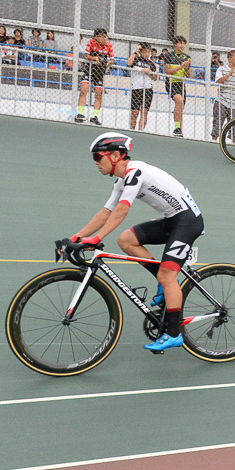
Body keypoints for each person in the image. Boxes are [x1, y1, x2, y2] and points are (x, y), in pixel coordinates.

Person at [69, 132, 204, 352]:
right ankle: (164, 283)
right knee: (126, 240)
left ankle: (174, 333)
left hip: (187, 221)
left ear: (115, 155)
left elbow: (122, 210)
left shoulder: (135, 171)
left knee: (167, 275)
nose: (95, 163)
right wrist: (77, 237)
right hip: (172, 220)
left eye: (97, 157)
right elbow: (106, 212)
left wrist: (97, 238)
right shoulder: (121, 180)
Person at [75, 28, 113, 125]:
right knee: (84, 90)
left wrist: (107, 63)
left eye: (106, 37)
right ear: (96, 37)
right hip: (89, 70)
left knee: (98, 94)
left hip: (100, 73)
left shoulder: (109, 45)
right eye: (102, 37)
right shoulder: (91, 42)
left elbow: (112, 59)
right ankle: (80, 113)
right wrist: (95, 58)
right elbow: (86, 55)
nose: (105, 39)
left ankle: (94, 116)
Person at [212, 49, 235, 141]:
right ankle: (213, 142)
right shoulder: (221, 69)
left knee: (234, 127)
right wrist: (230, 73)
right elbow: (218, 81)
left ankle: (233, 146)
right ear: (229, 58)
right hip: (222, 100)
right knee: (217, 123)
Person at [161, 35, 192, 137]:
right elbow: (168, 71)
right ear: (175, 44)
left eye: (184, 43)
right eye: (180, 43)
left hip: (181, 83)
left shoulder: (187, 57)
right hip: (171, 83)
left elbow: (188, 75)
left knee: (180, 105)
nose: (182, 45)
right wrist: (181, 66)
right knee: (179, 100)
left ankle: (179, 129)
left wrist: (187, 68)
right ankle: (177, 128)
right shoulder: (169, 55)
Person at [127, 43, 158, 132]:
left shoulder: (151, 64)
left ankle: (140, 131)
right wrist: (135, 51)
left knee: (144, 112)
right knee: (135, 112)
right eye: (145, 51)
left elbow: (155, 78)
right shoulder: (136, 59)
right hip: (136, 88)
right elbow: (129, 63)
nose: (147, 54)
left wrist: (150, 72)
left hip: (147, 89)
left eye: (149, 52)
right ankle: (132, 130)